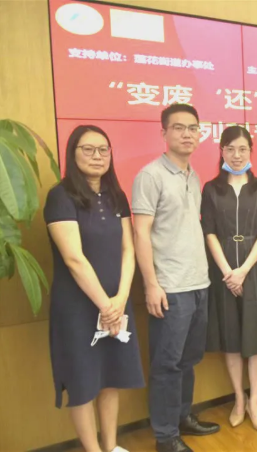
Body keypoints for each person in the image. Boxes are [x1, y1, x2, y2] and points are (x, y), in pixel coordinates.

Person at [44, 125, 144, 452]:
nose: (97, 156)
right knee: (83, 382)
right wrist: (106, 305)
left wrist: (121, 298)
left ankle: (111, 446)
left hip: (116, 301)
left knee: (110, 376)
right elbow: (74, 259)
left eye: (103, 149)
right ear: (72, 153)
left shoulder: (116, 195)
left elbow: (129, 249)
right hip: (78, 306)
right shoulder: (61, 196)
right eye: (88, 149)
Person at [132, 104, 219, 452]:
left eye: (193, 128)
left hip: (199, 283)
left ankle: (183, 417)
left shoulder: (193, 175)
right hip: (170, 287)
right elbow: (140, 233)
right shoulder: (150, 175)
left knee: (188, 360)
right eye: (179, 127)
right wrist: (151, 285)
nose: (187, 134)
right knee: (167, 364)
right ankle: (165, 436)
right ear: (164, 133)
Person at [201, 125, 257, 432]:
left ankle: (255, 402)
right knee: (232, 338)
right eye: (230, 149)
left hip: (255, 268)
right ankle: (239, 399)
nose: (236, 155)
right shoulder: (211, 189)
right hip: (223, 269)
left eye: (242, 149)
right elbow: (209, 232)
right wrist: (228, 272)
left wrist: (243, 270)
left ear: (251, 151)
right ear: (222, 151)